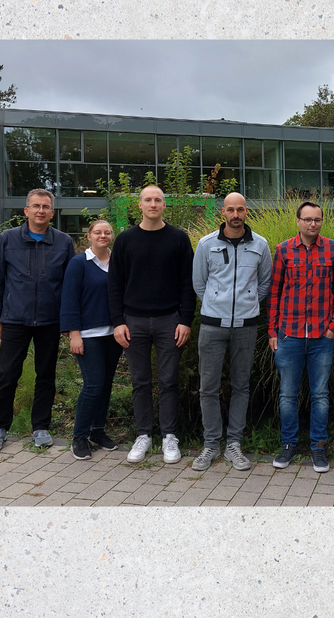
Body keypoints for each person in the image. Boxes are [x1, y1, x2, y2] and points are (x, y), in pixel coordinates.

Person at [108, 185, 196, 465]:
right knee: (140, 381)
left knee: (169, 381)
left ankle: (169, 435)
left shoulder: (178, 239)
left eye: (158, 200)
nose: (153, 204)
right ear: (140, 205)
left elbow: (187, 284)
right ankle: (143, 434)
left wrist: (185, 320)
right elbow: (114, 285)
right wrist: (118, 322)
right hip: (133, 321)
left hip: (169, 320)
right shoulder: (125, 240)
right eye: (148, 199)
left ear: (164, 205)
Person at [0, 188, 75, 452]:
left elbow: (69, 285)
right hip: (14, 320)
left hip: (50, 321)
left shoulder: (63, 242)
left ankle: (41, 427)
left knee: (46, 375)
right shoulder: (7, 239)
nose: (40, 211)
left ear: (52, 213)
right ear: (26, 211)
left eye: (45, 207)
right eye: (36, 206)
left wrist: (67, 322)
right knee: (7, 375)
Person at [191, 193, 272, 472]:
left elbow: (265, 284)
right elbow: (199, 284)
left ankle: (234, 444)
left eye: (240, 209)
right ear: (223, 212)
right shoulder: (206, 244)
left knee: (241, 386)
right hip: (213, 325)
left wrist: (247, 304)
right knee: (208, 387)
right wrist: (217, 305)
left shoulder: (260, 244)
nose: (235, 214)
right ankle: (211, 444)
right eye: (230, 210)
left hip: (246, 326)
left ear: (246, 211)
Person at [267, 201, 334, 473]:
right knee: (288, 394)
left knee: (320, 394)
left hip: (321, 337)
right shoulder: (283, 250)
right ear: (298, 221)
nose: (313, 224)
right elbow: (274, 293)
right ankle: (289, 444)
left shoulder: (333, 249)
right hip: (288, 334)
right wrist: (273, 331)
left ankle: (318, 447)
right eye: (307, 219)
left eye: (317, 219)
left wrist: (333, 327)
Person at [60, 220, 122, 460]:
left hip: (113, 334)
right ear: (89, 236)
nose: (103, 235)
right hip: (88, 335)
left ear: (112, 236)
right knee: (93, 385)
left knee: (105, 385)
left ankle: (97, 431)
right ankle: (79, 436)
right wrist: (73, 334)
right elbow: (69, 299)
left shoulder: (118, 261)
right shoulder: (79, 264)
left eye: (107, 232)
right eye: (98, 232)